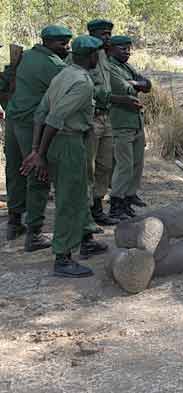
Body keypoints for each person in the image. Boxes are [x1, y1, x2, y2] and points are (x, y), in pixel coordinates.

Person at [20, 35, 109, 278]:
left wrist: (38, 149)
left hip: (58, 141)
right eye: (97, 55)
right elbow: (55, 117)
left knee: (78, 193)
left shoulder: (62, 75)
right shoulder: (82, 83)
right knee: (69, 199)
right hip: (68, 141)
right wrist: (38, 154)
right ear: (91, 57)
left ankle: (85, 238)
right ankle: (63, 257)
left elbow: (41, 113)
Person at [3, 25, 71, 248]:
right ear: (48, 42)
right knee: (38, 174)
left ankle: (14, 222)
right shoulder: (54, 65)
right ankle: (34, 232)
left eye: (68, 42)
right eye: (62, 43)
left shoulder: (26, 56)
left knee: (15, 171)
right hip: (31, 124)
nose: (66, 47)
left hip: (12, 120)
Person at [106, 35, 151, 221]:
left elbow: (147, 85)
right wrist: (136, 84)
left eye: (128, 48)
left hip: (136, 121)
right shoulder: (109, 67)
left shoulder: (126, 66)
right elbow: (126, 90)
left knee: (137, 163)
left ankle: (128, 198)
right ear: (112, 49)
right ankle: (116, 203)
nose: (127, 52)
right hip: (121, 122)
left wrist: (138, 83)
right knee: (123, 165)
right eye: (122, 48)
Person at [83, 19, 120, 226]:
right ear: (91, 34)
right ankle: (86, 211)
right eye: (103, 34)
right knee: (87, 166)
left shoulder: (105, 57)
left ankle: (97, 206)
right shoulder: (82, 57)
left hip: (106, 117)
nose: (107, 37)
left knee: (105, 165)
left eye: (109, 34)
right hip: (90, 118)